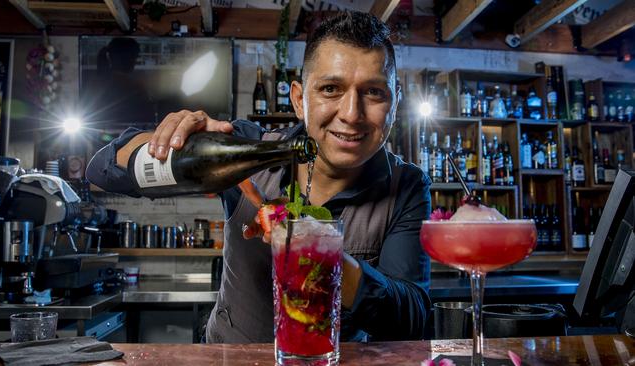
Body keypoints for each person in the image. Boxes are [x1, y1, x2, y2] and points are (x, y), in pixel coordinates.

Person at [86, 11, 432, 343]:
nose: (352, 114)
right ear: (299, 100)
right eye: (330, 89)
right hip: (227, 357)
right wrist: (163, 141)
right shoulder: (244, 147)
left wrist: (324, 254)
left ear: (395, 101)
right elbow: (102, 171)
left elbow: (412, 319)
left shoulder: (407, 185)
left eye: (374, 92)